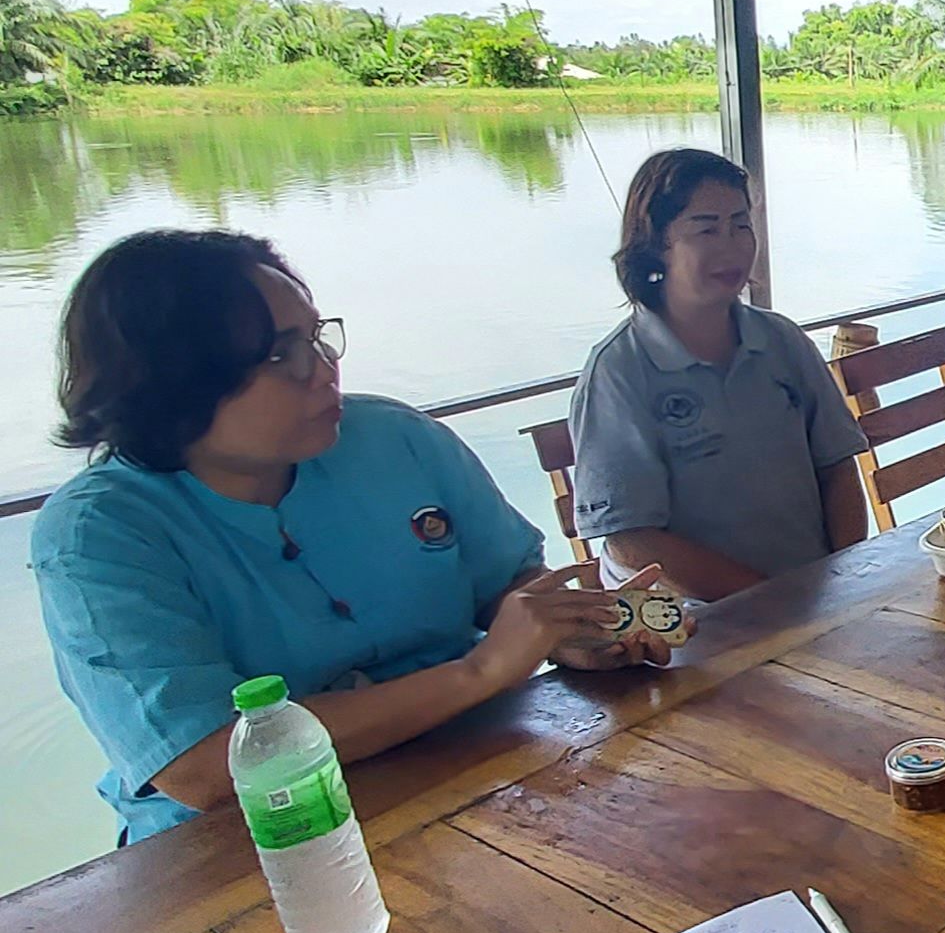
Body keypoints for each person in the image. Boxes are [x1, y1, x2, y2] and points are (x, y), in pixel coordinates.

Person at [31, 230, 659, 848]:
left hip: (477, 769)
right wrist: (482, 670)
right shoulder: (100, 535)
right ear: (172, 382)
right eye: (281, 355)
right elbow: (204, 763)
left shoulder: (394, 439)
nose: (324, 371)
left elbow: (504, 583)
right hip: (254, 847)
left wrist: (570, 632)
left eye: (317, 338)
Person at [570, 149, 870, 600]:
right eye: (707, 228)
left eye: (741, 225)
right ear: (656, 243)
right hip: (695, 626)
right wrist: (766, 603)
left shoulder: (781, 341)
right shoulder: (619, 372)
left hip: (813, 602)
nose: (732, 246)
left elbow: (838, 468)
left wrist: (842, 584)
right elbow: (631, 540)